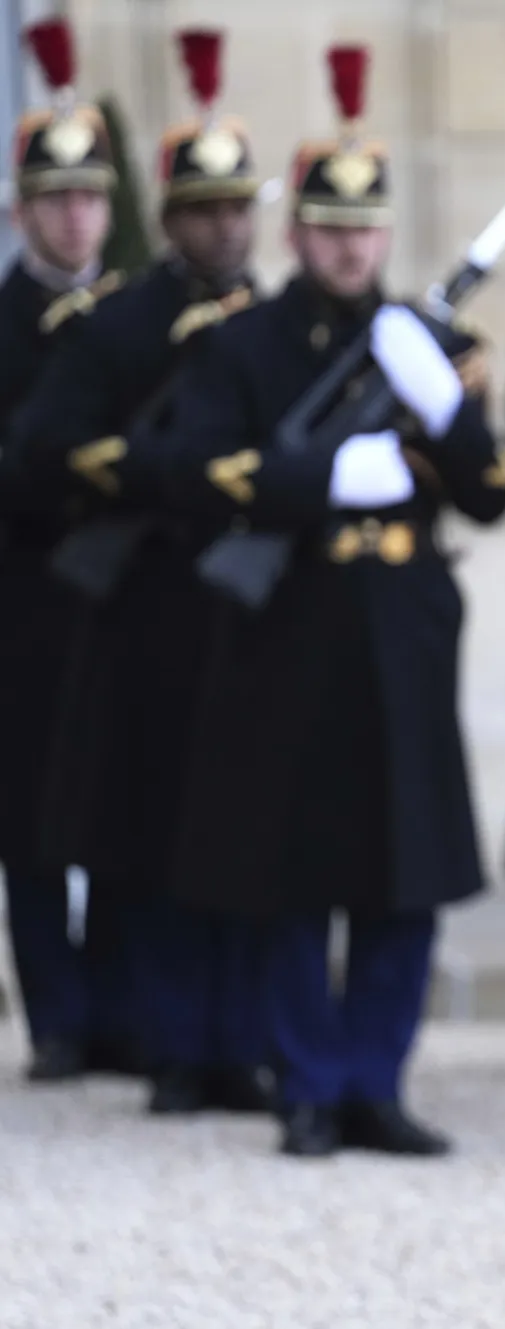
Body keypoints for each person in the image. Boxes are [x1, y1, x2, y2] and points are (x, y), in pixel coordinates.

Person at [162, 46, 505, 1158]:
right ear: (298, 232)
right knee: (293, 874)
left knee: (401, 876)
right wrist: (323, 478)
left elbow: (494, 493)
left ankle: (374, 1080)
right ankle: (308, 1083)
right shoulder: (243, 342)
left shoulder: (431, 345)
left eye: (365, 227)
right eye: (328, 226)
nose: (349, 246)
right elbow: (195, 471)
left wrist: (443, 409)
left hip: (401, 634)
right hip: (290, 636)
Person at [14, 27, 270, 1117]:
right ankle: (101, 1025)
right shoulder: (116, 325)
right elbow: (45, 449)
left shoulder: (268, 322)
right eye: (55, 199)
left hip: (232, 605)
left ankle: (197, 1031)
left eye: (235, 209)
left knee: (203, 828)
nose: (222, 228)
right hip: (91, 598)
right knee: (77, 818)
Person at [0, 17, 139, 1083]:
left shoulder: (141, 317)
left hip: (130, 588)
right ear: (22, 211)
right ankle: (58, 1015)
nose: (75, 215)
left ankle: (127, 1005)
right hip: (29, 592)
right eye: (55, 199)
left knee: (128, 798)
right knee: (35, 812)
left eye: (89, 196)